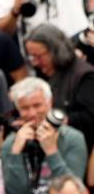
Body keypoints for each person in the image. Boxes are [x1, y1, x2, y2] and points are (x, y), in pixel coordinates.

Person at [1, 77, 88, 194]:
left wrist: (52, 152)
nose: (32, 113)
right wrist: (16, 152)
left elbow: (75, 190)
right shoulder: (11, 143)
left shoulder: (73, 138)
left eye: (37, 105)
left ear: (50, 103)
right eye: (25, 108)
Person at [24, 23, 94, 151]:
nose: (35, 62)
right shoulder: (41, 73)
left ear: (55, 50)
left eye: (39, 56)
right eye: (31, 57)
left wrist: (53, 121)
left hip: (75, 148)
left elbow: (89, 118)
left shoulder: (85, 76)